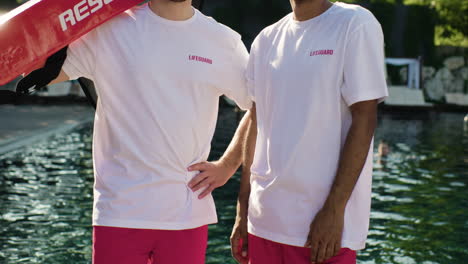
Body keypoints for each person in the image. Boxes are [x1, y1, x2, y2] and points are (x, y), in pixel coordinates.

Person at [18, 0, 253, 263]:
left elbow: (260, 107)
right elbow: (33, 71)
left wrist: (227, 165)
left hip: (186, 213)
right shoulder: (109, 30)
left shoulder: (222, 41)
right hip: (118, 211)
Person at [229, 0, 388, 263]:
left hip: (323, 231)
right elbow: (257, 124)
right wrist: (242, 211)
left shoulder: (355, 23)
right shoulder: (265, 39)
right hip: (263, 223)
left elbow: (365, 118)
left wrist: (335, 210)